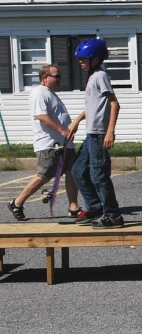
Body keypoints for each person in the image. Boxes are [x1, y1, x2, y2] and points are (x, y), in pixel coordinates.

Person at [7, 65, 81, 222]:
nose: (59, 79)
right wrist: (62, 130)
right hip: (49, 144)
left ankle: (73, 207)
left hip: (64, 144)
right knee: (45, 175)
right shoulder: (39, 93)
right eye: (56, 76)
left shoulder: (51, 93)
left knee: (72, 172)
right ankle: (17, 203)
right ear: (44, 77)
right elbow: (41, 116)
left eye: (60, 76)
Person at [68, 38, 124, 229]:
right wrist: (77, 120)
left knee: (99, 175)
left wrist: (110, 132)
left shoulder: (100, 76)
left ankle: (113, 215)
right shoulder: (92, 77)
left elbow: (114, 103)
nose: (80, 62)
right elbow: (92, 106)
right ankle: (94, 207)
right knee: (78, 170)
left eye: (84, 59)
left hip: (99, 134)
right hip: (91, 133)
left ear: (96, 59)